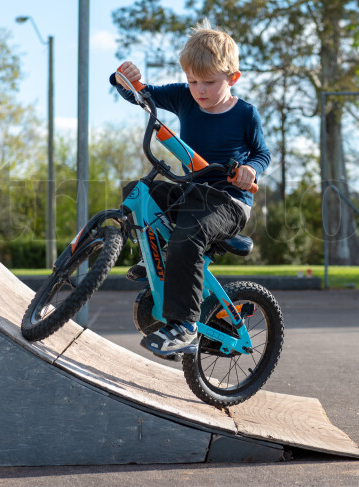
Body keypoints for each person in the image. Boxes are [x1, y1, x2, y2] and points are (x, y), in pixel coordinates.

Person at [110, 19, 271, 357]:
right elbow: (141, 95)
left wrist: (248, 170)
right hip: (190, 193)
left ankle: (184, 326)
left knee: (188, 235)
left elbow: (262, 153)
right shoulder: (185, 98)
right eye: (192, 80)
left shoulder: (245, 114)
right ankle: (154, 259)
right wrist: (123, 76)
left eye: (209, 83)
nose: (199, 90)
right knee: (138, 193)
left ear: (232, 78)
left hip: (227, 202)